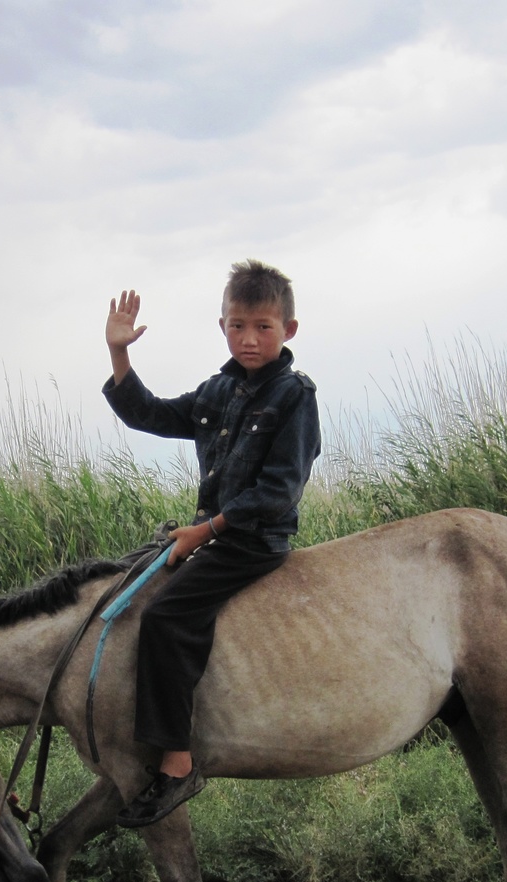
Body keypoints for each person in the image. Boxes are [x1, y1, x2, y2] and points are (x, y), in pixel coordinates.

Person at [102, 260, 321, 827]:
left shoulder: (295, 396)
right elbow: (148, 414)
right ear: (222, 325)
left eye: (264, 327)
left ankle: (177, 763)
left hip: (253, 541)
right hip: (213, 535)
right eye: (238, 325)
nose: (250, 339)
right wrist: (120, 353)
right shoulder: (217, 391)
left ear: (289, 330)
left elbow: (279, 491)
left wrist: (206, 530)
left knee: (168, 616)